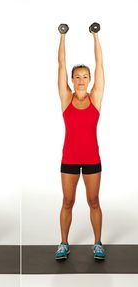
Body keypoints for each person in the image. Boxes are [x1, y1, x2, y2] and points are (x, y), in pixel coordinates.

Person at [55, 26, 105, 260]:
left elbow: (100, 65)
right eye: (78, 77)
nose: (82, 80)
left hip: (92, 158)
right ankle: (63, 243)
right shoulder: (67, 99)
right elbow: (61, 65)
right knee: (68, 201)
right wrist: (63, 36)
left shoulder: (95, 98)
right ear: (72, 81)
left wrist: (95, 36)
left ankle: (97, 243)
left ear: (90, 80)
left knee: (93, 201)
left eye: (85, 76)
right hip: (70, 159)